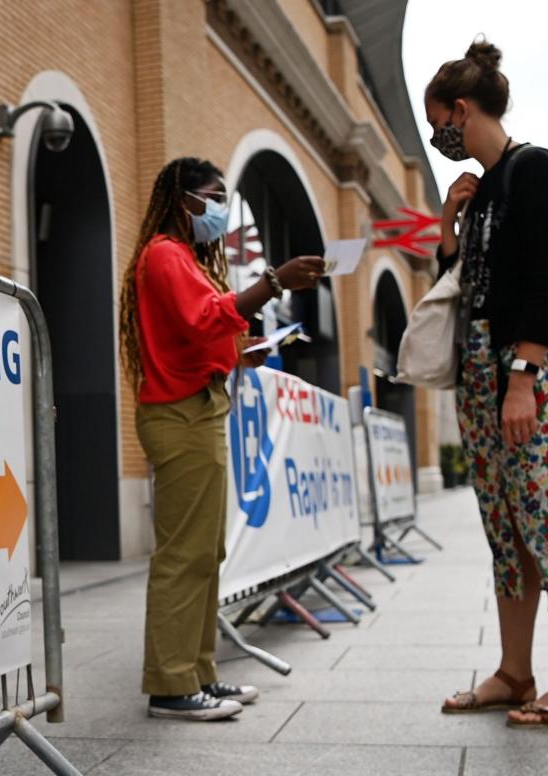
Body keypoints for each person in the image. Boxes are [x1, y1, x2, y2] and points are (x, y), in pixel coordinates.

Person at [427, 40, 548, 727]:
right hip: (483, 371)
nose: (437, 135)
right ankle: (514, 671)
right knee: (508, 529)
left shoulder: (535, 170)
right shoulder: (480, 194)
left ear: (461, 109)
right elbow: (460, 290)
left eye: (438, 121)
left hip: (527, 370)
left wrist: (522, 378)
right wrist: (448, 223)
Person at [118, 157, 323, 721]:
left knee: (207, 551)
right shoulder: (163, 254)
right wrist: (274, 281)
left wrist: (241, 349)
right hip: (180, 414)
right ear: (182, 200)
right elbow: (204, 317)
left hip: (199, 408)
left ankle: (198, 672)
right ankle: (170, 685)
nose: (219, 208)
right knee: (184, 553)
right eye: (211, 196)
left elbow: (200, 332)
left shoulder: (182, 257)